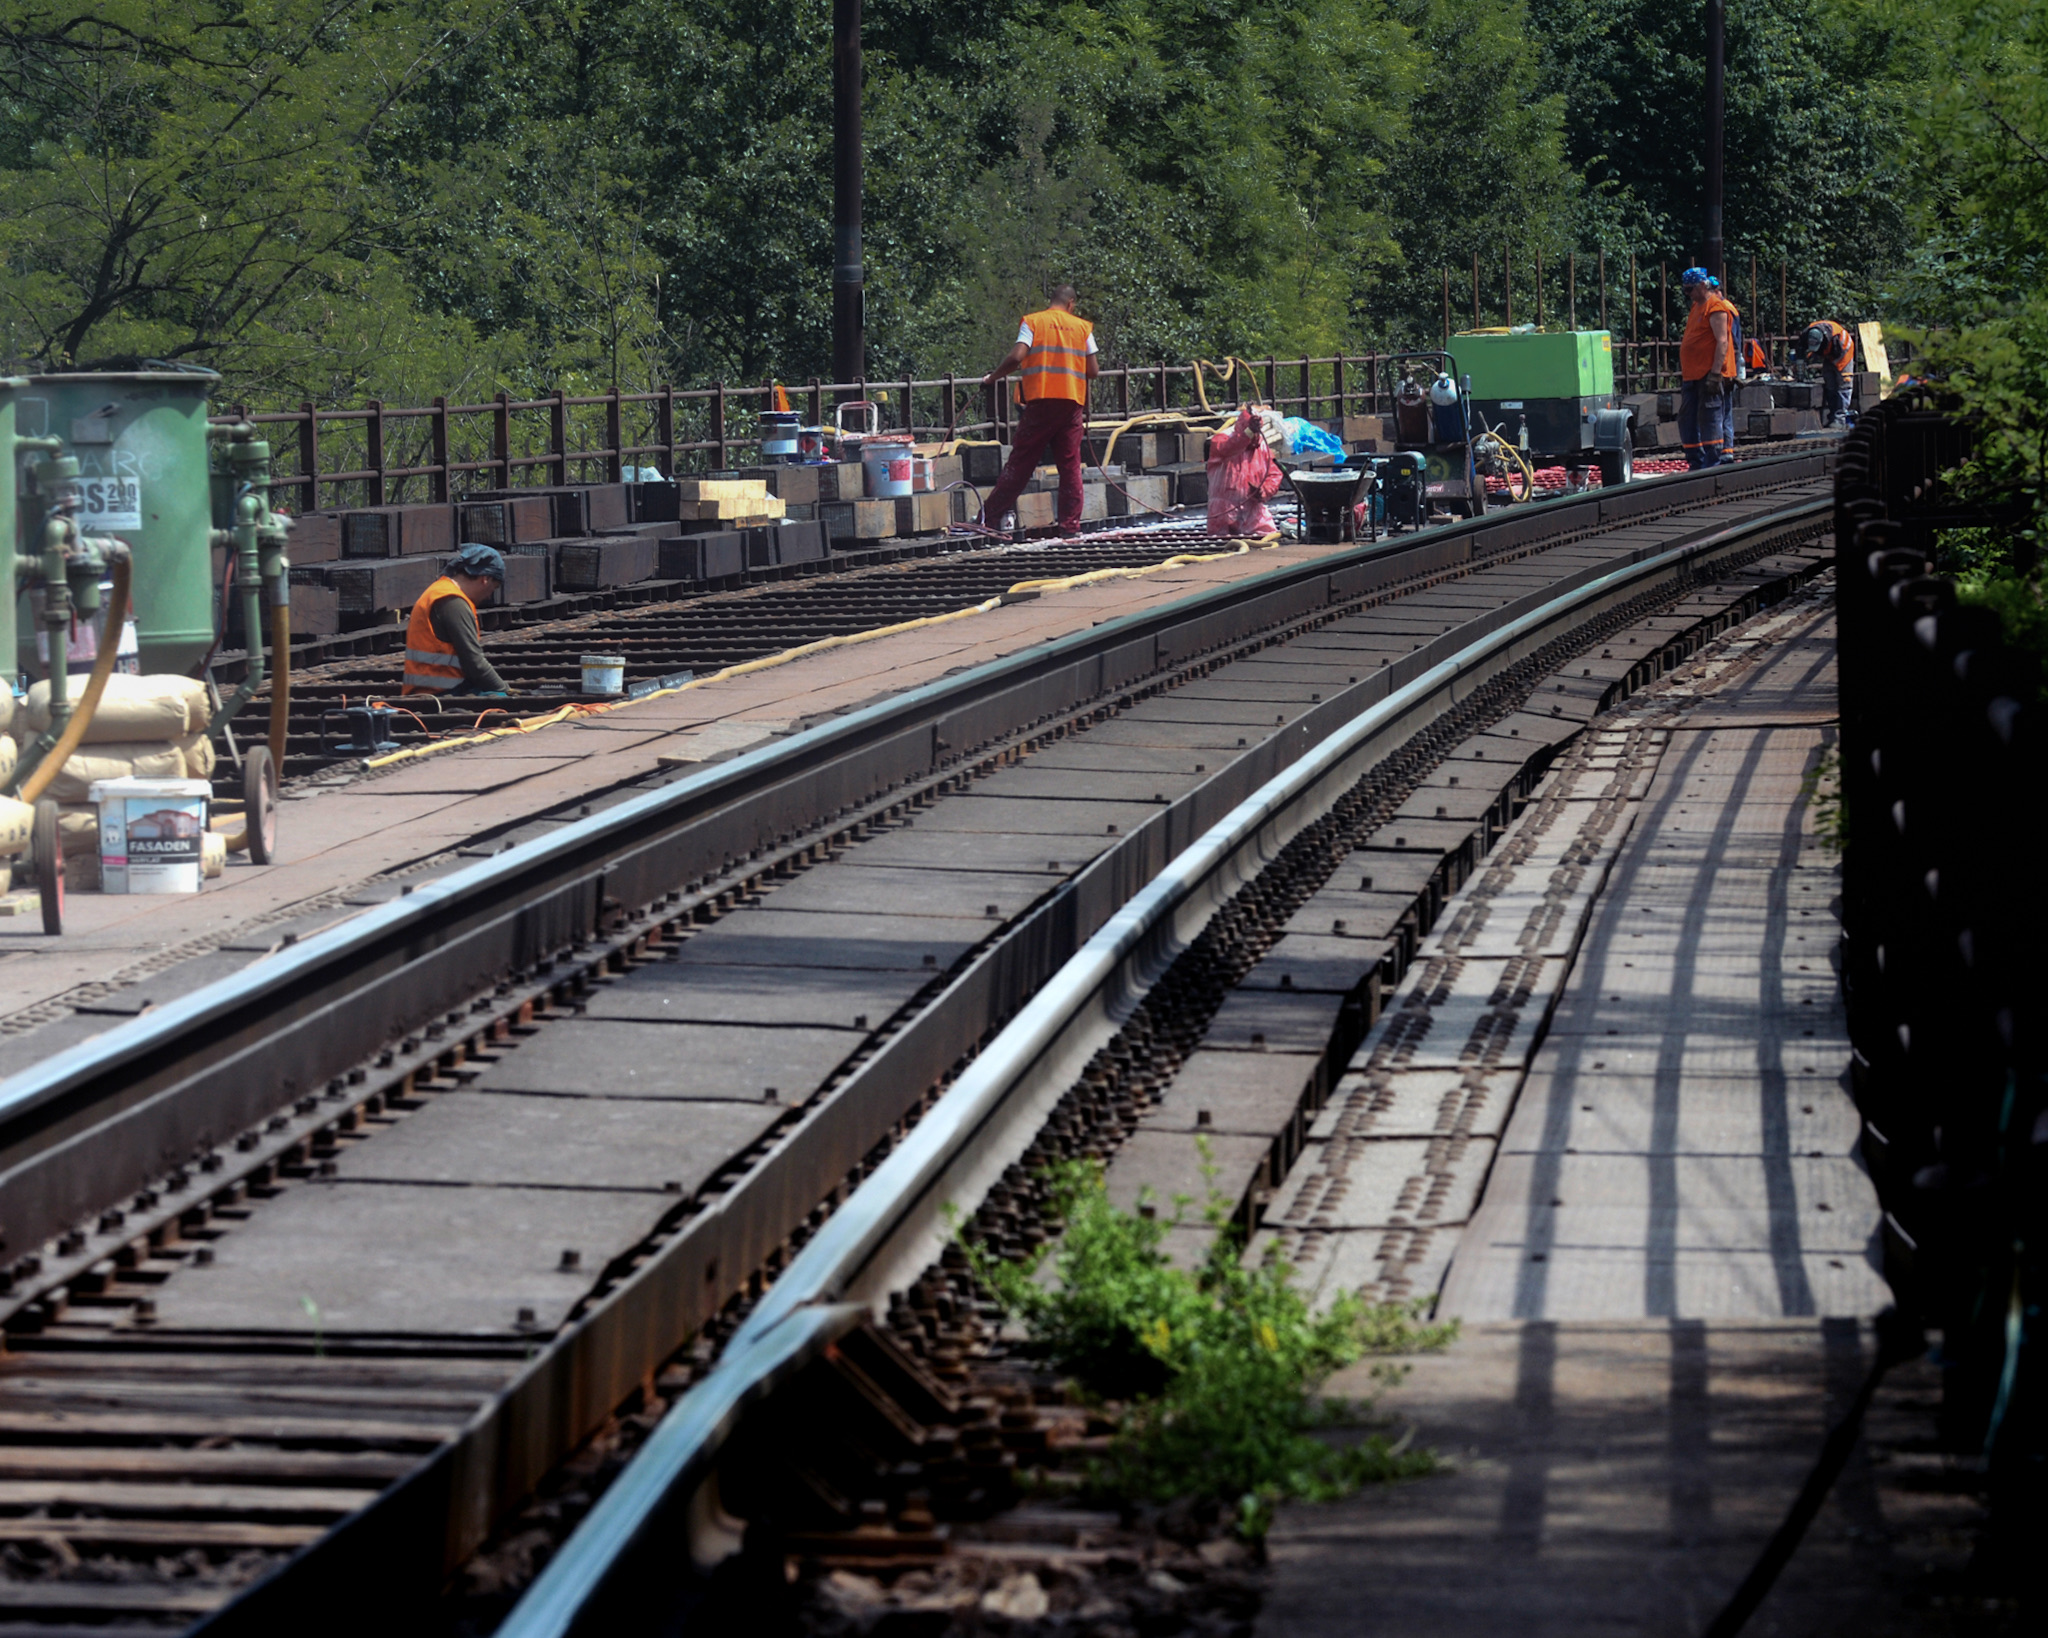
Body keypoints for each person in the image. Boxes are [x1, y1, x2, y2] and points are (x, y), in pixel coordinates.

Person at [976, 284, 1100, 536]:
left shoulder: (1033, 322)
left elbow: (1016, 356)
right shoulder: (1082, 327)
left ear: (1052, 301)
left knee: (1020, 464)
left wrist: (992, 378)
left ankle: (987, 520)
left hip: (1041, 402)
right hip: (1071, 404)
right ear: (1071, 304)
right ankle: (1070, 526)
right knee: (1070, 466)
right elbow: (1093, 371)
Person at [403, 543, 513, 696]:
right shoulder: (453, 602)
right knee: (499, 699)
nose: (489, 596)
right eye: (493, 589)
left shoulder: (440, 591)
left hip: (434, 691)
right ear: (485, 579)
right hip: (439, 694)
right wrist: (505, 690)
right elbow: (474, 663)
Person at [1677, 267, 1739, 468]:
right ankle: (1695, 459)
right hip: (1692, 375)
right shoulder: (1697, 306)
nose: (1688, 294)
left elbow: (1722, 342)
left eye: (1690, 289)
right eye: (1685, 290)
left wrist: (1715, 374)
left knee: (1710, 416)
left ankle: (1713, 461)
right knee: (1687, 418)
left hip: (1707, 374)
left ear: (1703, 286)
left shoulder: (1716, 307)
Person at [1795, 320, 1857, 426]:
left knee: (1843, 385)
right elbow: (1801, 349)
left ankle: (1840, 418)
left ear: (1822, 340)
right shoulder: (1806, 334)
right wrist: (1800, 362)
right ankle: (1832, 415)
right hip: (1829, 351)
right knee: (1829, 383)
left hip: (1843, 353)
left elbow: (1836, 354)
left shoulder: (1837, 340)